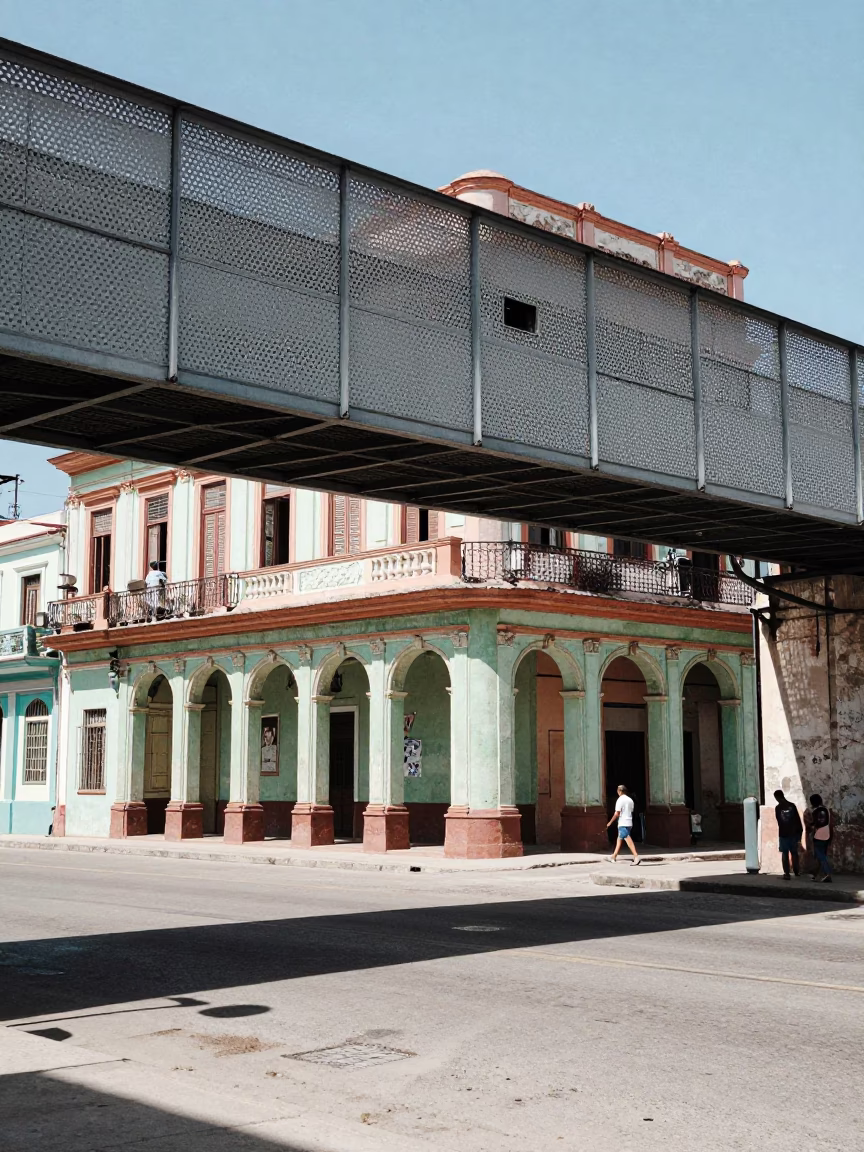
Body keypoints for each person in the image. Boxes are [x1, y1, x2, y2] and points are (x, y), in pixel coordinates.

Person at [607, 784, 641, 866]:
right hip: (629, 822)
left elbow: (617, 813)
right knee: (620, 838)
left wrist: (610, 822)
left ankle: (636, 856)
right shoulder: (630, 800)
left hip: (623, 822)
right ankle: (614, 856)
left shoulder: (620, 800)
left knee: (626, 837)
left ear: (619, 791)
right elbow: (631, 811)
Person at [773, 789, 803, 879]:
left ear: (777, 797)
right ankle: (796, 871)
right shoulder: (792, 806)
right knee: (794, 853)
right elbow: (798, 821)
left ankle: (786, 873)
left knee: (785, 854)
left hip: (783, 833)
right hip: (793, 833)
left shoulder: (778, 808)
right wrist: (799, 833)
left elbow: (779, 821)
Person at [805, 793, 833, 883]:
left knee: (820, 856)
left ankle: (827, 874)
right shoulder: (827, 810)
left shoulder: (815, 811)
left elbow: (815, 824)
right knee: (821, 855)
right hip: (827, 834)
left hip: (818, 835)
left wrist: (810, 825)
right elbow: (829, 823)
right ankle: (816, 875)